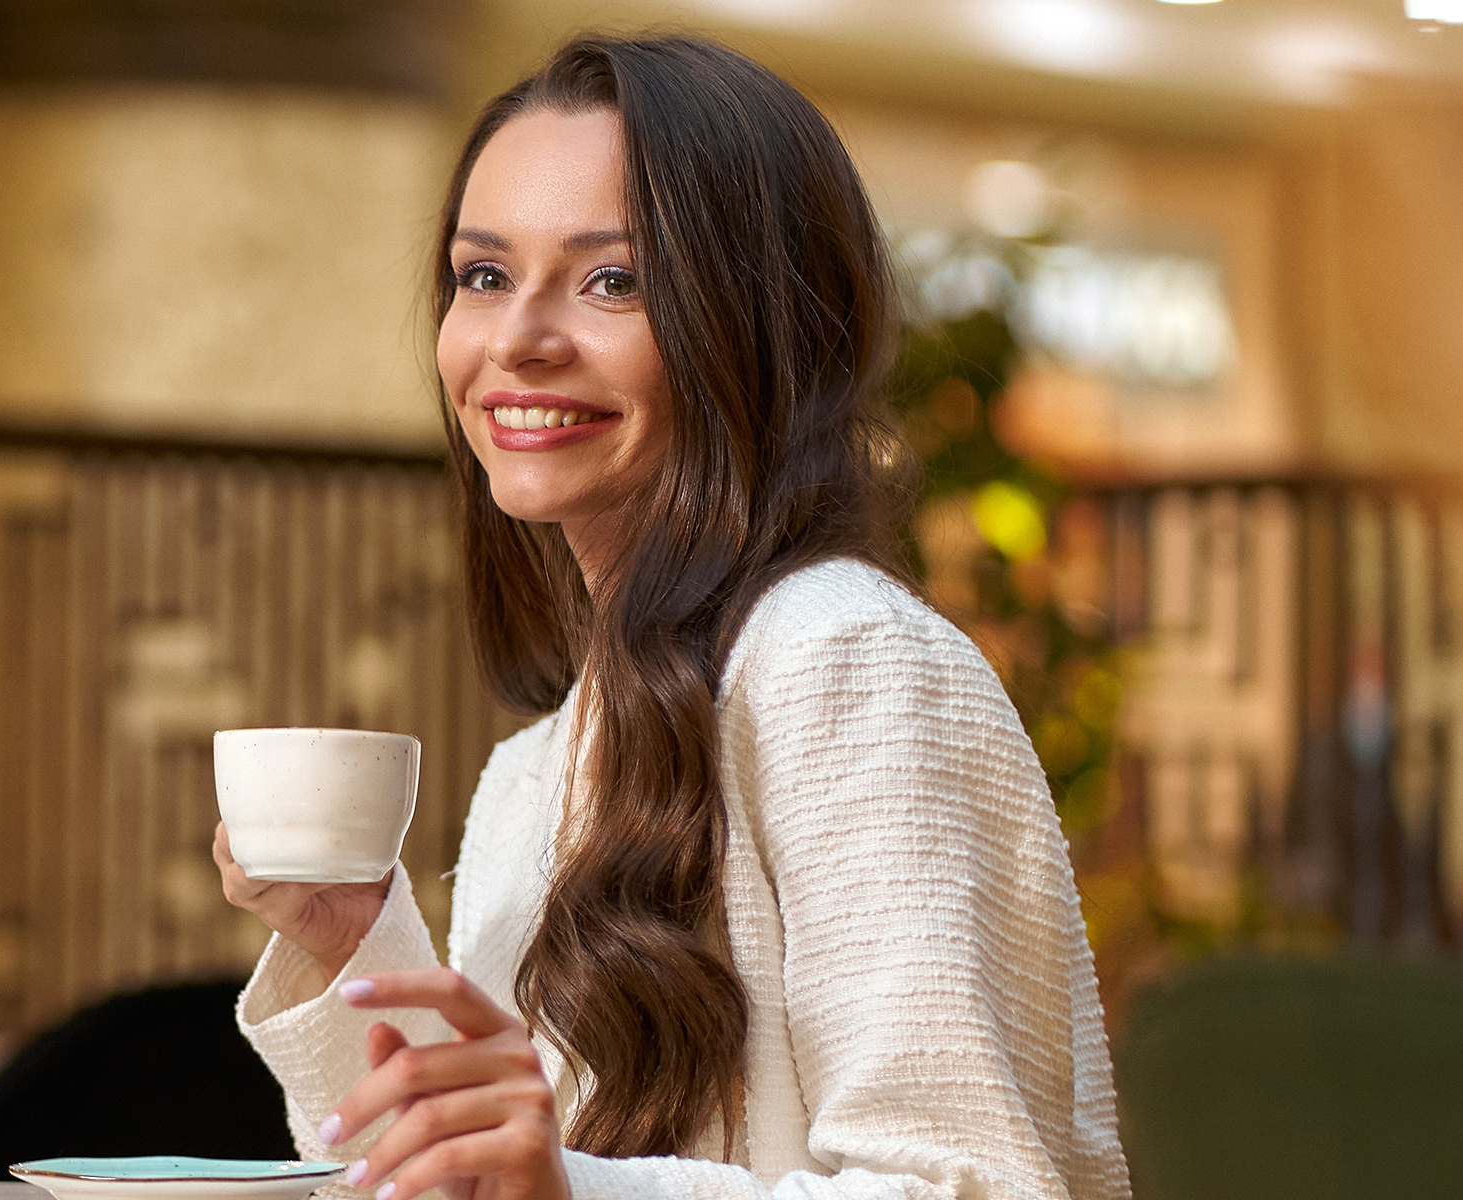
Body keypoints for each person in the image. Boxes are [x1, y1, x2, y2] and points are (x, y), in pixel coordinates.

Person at [213, 34, 1128, 1200]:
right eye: (483, 277)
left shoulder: (849, 661)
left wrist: (570, 1188)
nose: (517, 341)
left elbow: (974, 1187)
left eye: (614, 281)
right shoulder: (539, 766)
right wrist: (353, 942)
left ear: (758, 326)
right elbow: (478, 1180)